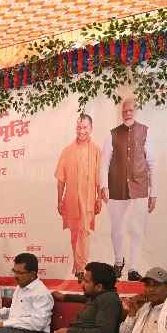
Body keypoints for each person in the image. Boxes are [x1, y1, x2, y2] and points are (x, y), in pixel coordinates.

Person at [5, 261, 123, 333]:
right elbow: (84, 299)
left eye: (86, 281)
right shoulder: (97, 296)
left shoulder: (109, 300)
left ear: (99, 287)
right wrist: (64, 297)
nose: (82, 283)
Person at [100, 97, 158, 281]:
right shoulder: (112, 134)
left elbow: (152, 163)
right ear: (121, 113)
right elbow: (104, 163)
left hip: (140, 187)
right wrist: (104, 185)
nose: (127, 113)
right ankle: (118, 262)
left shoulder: (145, 132)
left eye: (130, 110)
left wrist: (154, 193)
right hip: (116, 188)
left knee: (137, 229)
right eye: (124, 111)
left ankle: (133, 268)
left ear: (136, 111)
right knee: (117, 229)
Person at [56, 114, 102, 280]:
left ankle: (81, 268)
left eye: (85, 127)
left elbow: (100, 178)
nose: (82, 131)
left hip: (88, 200)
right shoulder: (67, 151)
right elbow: (61, 179)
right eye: (79, 127)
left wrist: (99, 198)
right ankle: (78, 267)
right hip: (71, 200)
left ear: (91, 128)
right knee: (75, 233)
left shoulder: (96, 151)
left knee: (84, 231)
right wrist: (59, 200)